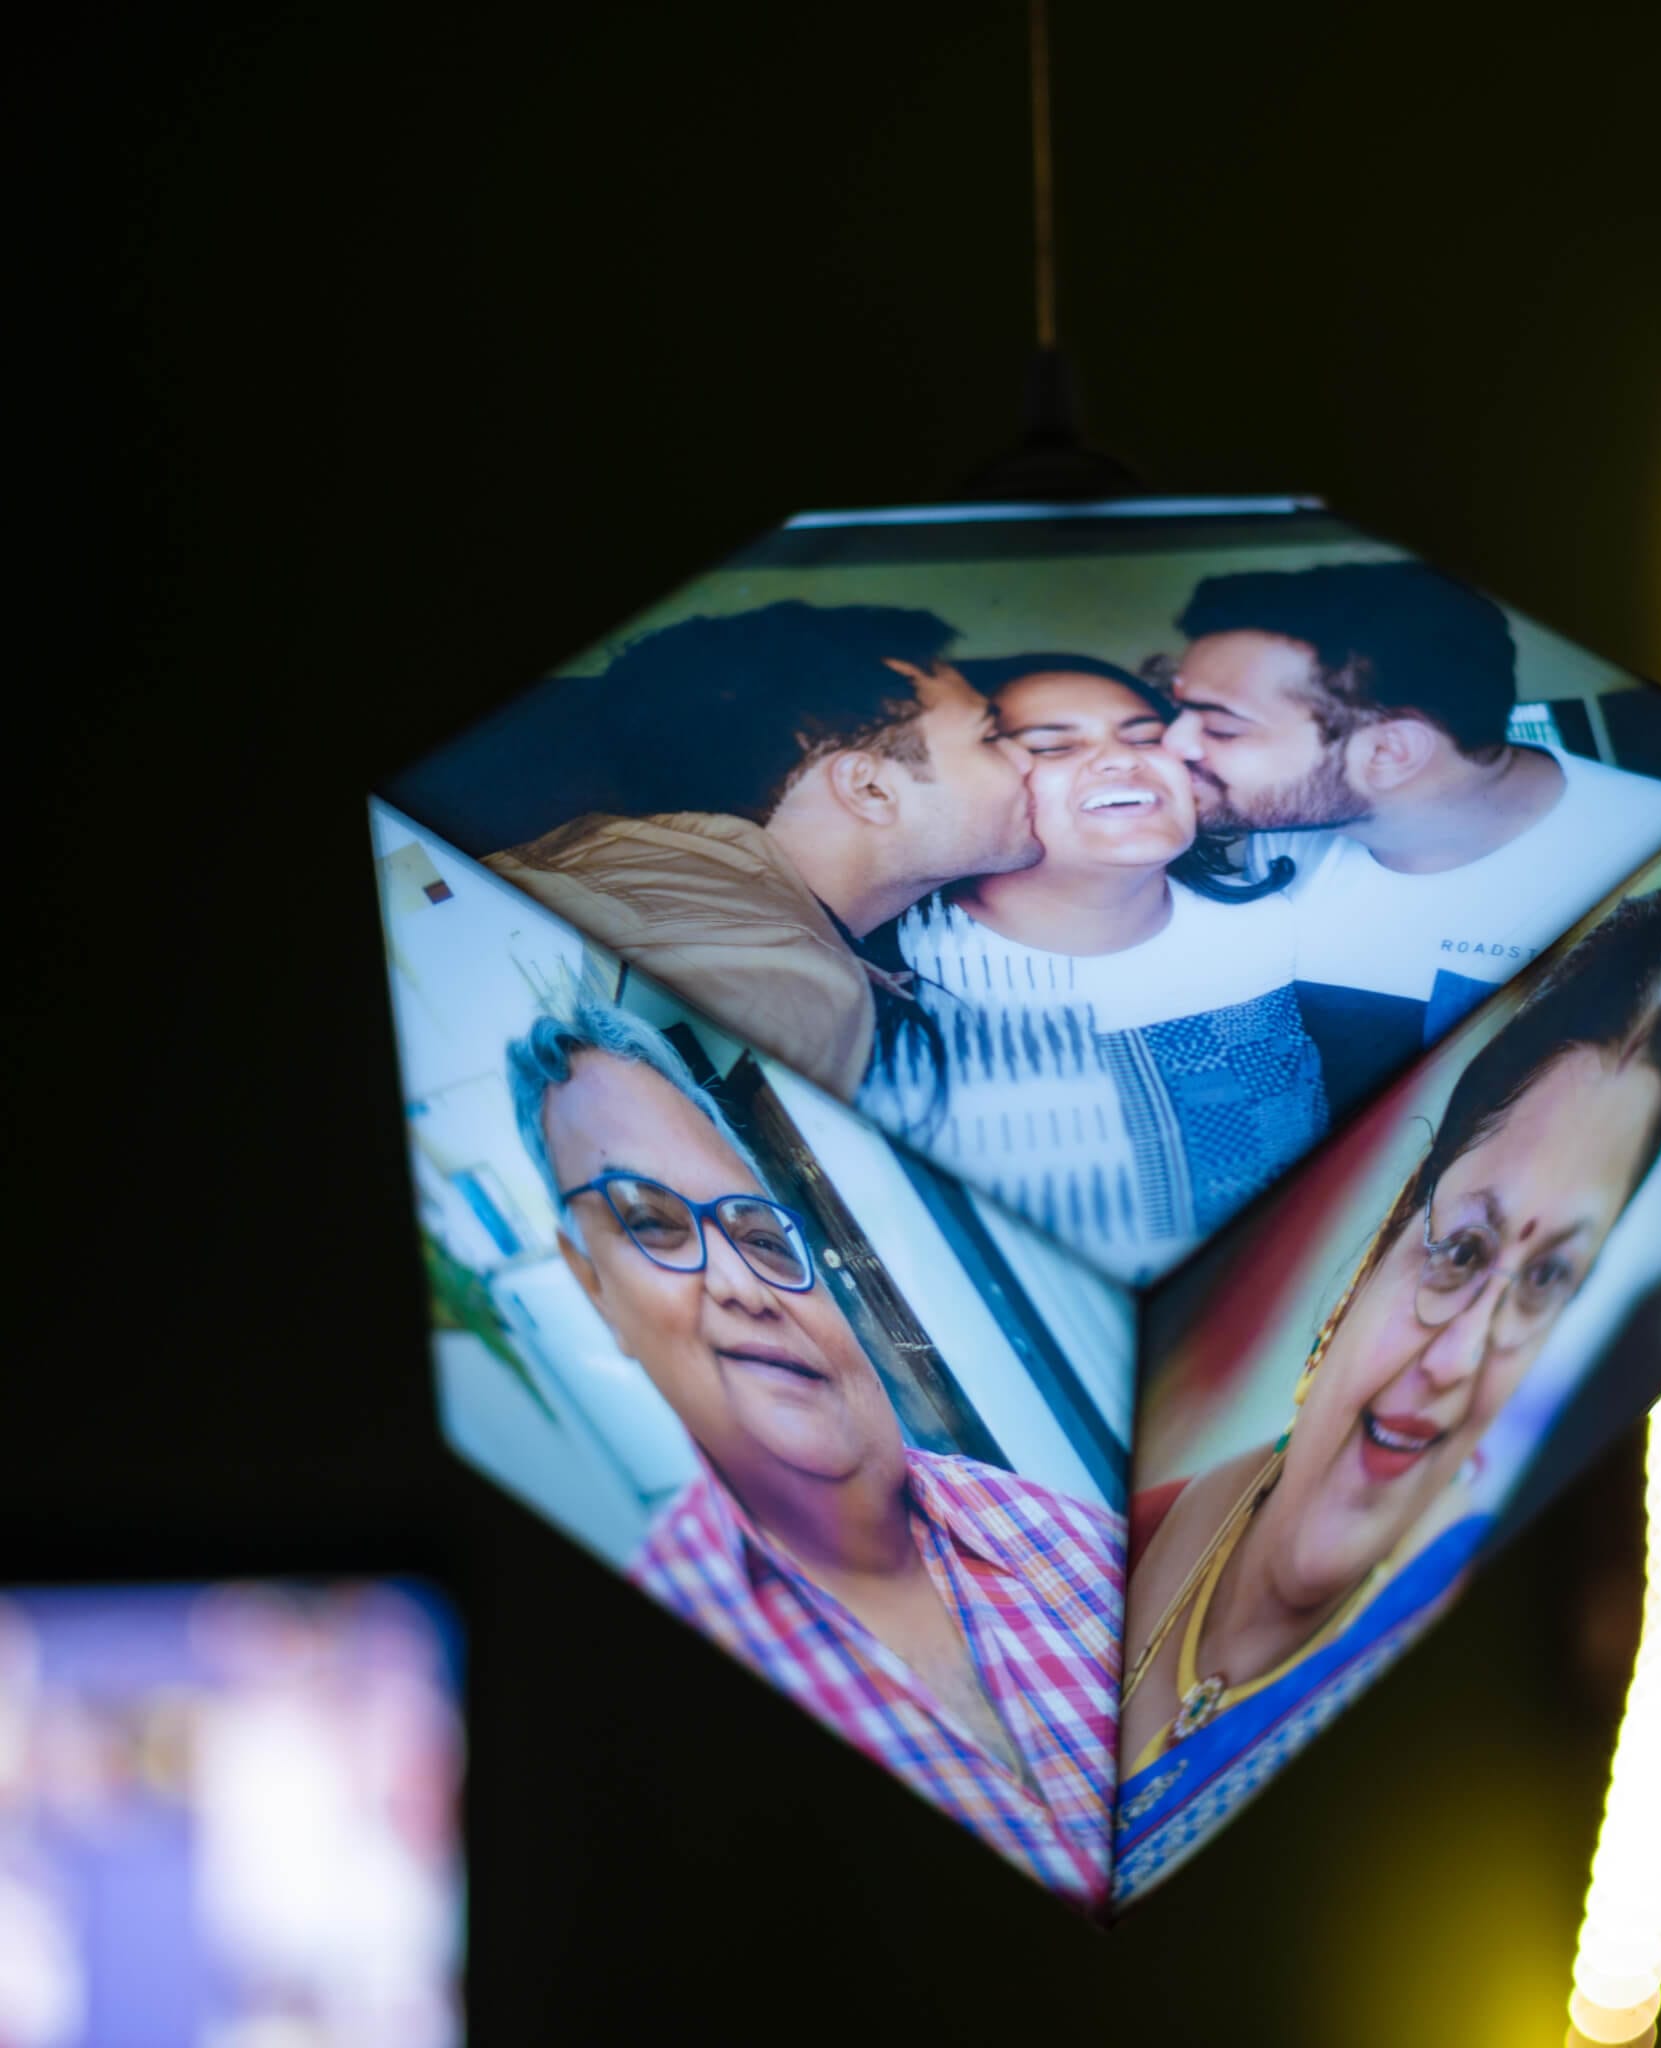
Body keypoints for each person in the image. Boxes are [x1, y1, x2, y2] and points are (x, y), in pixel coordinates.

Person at [1114, 886, 1661, 1900]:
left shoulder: (1458, 1710)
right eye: (1463, 1248)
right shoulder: (1100, 1551)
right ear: (1378, 1247)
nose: (1458, 1358)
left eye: (1543, 1281)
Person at [506, 997, 1123, 1911]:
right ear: (592, 1287)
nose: (741, 1284)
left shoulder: (1048, 1525)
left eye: (759, 1237)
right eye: (653, 1226)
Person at [1157, 562, 1661, 1119]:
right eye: (1180, 710)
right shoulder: (1278, 847)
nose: (1172, 742)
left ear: (1389, 753)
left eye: (1221, 727)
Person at [868, 656, 1327, 1282]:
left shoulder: (1274, 928)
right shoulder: (878, 980)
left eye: (1144, 736)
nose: (1120, 759)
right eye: (1051, 747)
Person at [488, 602, 1040, 1099]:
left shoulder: (621, 865)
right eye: (989, 737)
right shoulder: (776, 977)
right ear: (869, 789)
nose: (1027, 760)